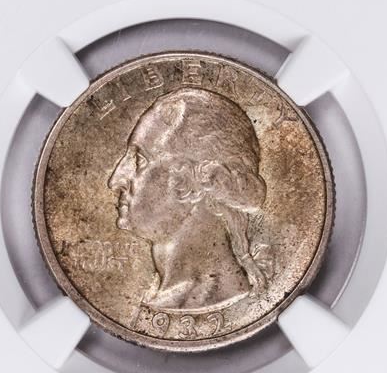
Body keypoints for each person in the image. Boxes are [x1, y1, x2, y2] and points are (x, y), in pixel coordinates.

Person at [108, 87, 269, 311]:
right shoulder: (169, 299)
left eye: (140, 160)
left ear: (192, 183)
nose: (116, 180)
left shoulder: (213, 298)